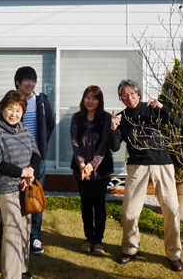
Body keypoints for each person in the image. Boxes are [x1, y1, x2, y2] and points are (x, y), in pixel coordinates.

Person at [110, 79, 183, 272]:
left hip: (162, 163)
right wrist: (113, 128)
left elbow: (178, 123)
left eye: (132, 93)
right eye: (124, 95)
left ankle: (174, 254)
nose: (129, 97)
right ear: (121, 98)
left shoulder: (152, 109)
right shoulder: (121, 118)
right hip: (137, 166)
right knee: (129, 212)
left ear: (139, 94)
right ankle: (131, 248)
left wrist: (162, 107)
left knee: (171, 209)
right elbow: (115, 146)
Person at [0, 66, 55, 255]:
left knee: (34, 196)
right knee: (12, 200)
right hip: (12, 161)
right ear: (17, 83)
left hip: (36, 160)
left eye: (33, 80)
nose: (31, 83)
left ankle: (34, 237)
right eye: (26, 80)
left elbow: (50, 124)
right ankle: (11, 235)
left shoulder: (42, 101)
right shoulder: (8, 103)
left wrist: (40, 148)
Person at [0, 90, 41, 279]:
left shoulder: (23, 128)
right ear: (2, 109)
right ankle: (10, 275)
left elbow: (36, 151)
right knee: (12, 231)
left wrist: (31, 171)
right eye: (10, 109)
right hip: (6, 187)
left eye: (18, 110)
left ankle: (22, 271)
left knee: (25, 228)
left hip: (25, 186)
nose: (14, 114)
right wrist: (21, 172)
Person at [70, 85, 113, 256]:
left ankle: (98, 240)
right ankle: (88, 238)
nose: (90, 101)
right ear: (83, 99)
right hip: (81, 171)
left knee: (99, 205)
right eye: (87, 97)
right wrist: (81, 164)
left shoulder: (105, 118)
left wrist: (91, 165)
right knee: (86, 205)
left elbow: (104, 144)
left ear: (99, 101)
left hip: (100, 170)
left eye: (94, 98)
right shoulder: (76, 118)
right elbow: (74, 142)